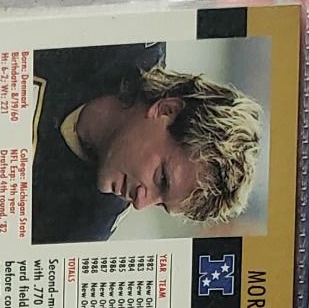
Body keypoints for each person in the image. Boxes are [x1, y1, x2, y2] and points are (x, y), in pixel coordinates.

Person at [28, 43, 262, 243]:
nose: (140, 202)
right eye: (161, 179)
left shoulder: (80, 229)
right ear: (166, 110)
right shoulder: (128, 36)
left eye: (160, 204)